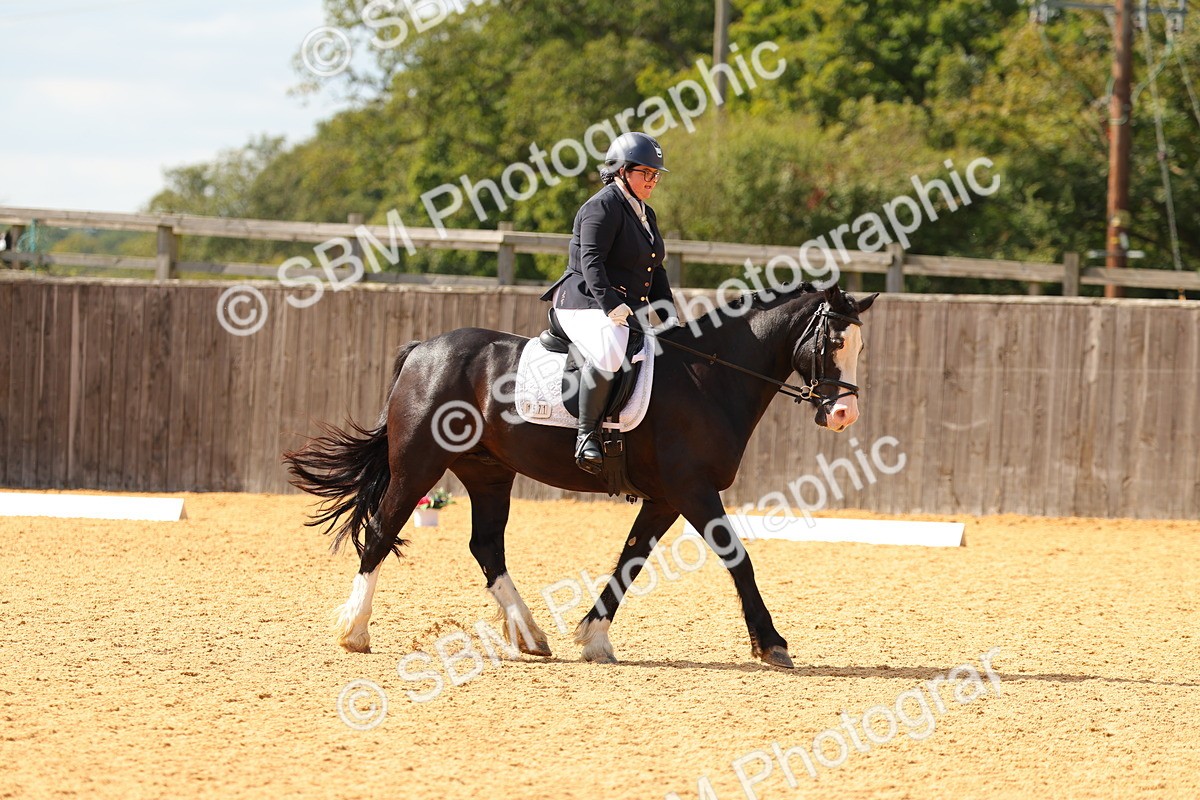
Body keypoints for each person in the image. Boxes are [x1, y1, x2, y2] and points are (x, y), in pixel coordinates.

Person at [540, 132, 681, 474]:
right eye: (646, 173)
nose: (653, 180)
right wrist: (611, 306)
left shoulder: (644, 212)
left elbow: (654, 267)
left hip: (621, 304)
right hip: (583, 301)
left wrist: (669, 314)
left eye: (656, 174)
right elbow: (591, 261)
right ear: (622, 171)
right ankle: (586, 436)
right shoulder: (601, 206)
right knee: (611, 347)